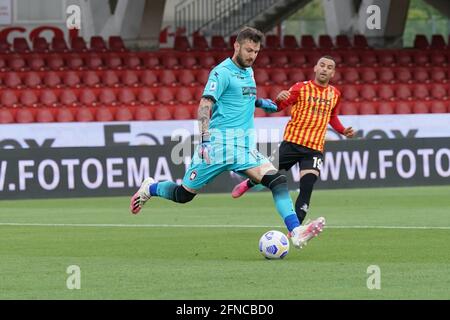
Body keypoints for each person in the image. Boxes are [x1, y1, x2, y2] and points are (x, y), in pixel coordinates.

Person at [130, 27, 324, 249]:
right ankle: (150, 188)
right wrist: (204, 140)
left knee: (278, 181)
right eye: (249, 50)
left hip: (243, 147)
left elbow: (242, 97)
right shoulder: (221, 72)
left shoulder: (249, 72)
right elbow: (205, 105)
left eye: (256, 51)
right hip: (217, 147)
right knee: (184, 195)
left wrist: (262, 103)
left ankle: (295, 231)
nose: (252, 56)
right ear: (237, 46)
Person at [232, 56, 355, 237]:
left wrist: (343, 130)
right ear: (315, 68)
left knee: (307, 186)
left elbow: (332, 117)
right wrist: (280, 97)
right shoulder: (301, 88)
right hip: (292, 144)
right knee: (268, 173)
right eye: (322, 65)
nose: (324, 69)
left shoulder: (334, 94)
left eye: (329, 67)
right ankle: (250, 182)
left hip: (314, 149)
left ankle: (295, 231)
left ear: (333, 73)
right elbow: (279, 106)